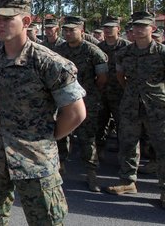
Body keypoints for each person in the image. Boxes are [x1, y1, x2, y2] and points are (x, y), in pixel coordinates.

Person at [0, 0, 87, 225]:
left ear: (26, 22)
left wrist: (45, 137)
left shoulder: (49, 63)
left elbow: (76, 113)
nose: (0, 24)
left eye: (8, 19)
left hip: (35, 163)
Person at [105, 11, 165, 209]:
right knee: (128, 144)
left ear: (153, 28)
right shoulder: (124, 53)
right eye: (135, 26)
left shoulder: (161, 52)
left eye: (143, 26)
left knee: (161, 146)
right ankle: (128, 181)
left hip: (157, 106)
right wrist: (133, 93)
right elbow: (121, 77)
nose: (138, 30)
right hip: (130, 104)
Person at [56, 15, 108, 192]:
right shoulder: (60, 50)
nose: (68, 33)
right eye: (66, 30)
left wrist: (90, 94)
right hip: (64, 100)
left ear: (82, 30)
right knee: (62, 134)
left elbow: (102, 78)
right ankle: (60, 165)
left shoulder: (93, 51)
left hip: (87, 100)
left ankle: (91, 173)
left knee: (87, 137)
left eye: (72, 30)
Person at [96, 16, 130, 160]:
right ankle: (99, 151)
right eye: (105, 27)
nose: (108, 30)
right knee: (100, 123)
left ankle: (123, 156)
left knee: (123, 126)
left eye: (111, 27)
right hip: (102, 92)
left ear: (118, 29)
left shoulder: (127, 47)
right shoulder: (99, 48)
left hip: (121, 93)